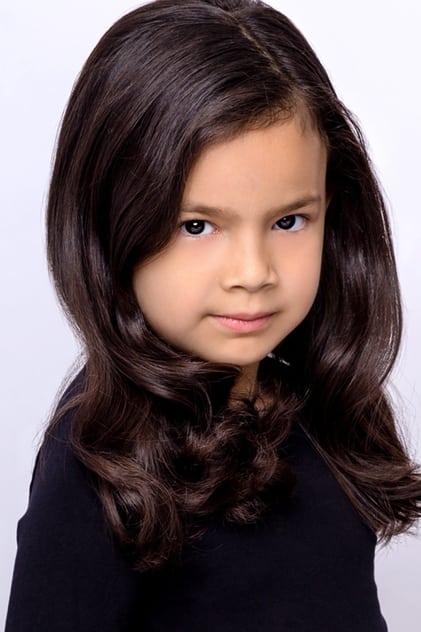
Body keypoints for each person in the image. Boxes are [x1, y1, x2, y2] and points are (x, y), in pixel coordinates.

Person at [6, 0, 421, 630]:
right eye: (197, 226)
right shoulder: (99, 461)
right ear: (110, 223)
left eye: (289, 220)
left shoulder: (319, 402)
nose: (253, 273)